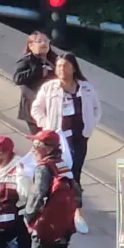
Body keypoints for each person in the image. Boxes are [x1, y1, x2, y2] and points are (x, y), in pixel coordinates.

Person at [31, 53, 101, 234]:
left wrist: (90, 126)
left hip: (78, 136)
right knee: (55, 170)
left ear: (74, 68)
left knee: (74, 172)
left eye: (66, 66)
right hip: (57, 136)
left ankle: (77, 212)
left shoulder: (85, 88)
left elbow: (96, 108)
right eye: (59, 66)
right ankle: (51, 206)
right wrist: (46, 125)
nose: (62, 69)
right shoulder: (49, 88)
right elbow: (36, 108)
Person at [13, 31, 57, 135]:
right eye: (39, 41)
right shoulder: (27, 60)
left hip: (51, 105)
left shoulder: (54, 60)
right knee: (42, 139)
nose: (44, 43)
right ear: (31, 45)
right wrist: (37, 72)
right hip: (32, 105)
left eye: (46, 41)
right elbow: (17, 78)